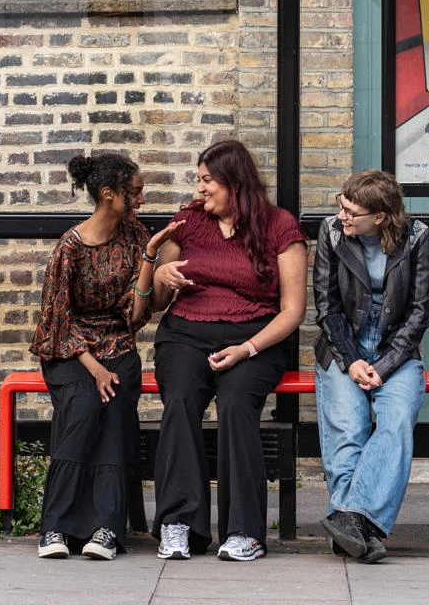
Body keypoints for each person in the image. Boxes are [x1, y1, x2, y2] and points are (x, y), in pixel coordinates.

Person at [149, 139, 308, 562]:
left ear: (235, 183)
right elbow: (160, 300)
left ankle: (244, 531)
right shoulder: (187, 222)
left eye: (208, 181)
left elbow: (293, 311)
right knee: (181, 399)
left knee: (237, 403)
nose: (200, 190)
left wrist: (247, 348)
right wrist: (161, 271)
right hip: (185, 333)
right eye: (199, 181)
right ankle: (179, 524)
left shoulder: (280, 227)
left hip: (255, 338)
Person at [29, 152, 180, 560]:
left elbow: (134, 314)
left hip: (118, 347)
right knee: (81, 410)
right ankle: (55, 527)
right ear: (109, 195)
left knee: (114, 420)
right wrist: (93, 367)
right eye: (135, 193)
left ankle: (106, 530)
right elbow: (56, 320)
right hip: (69, 353)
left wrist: (150, 255)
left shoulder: (135, 237)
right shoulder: (70, 247)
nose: (142, 200)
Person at [313, 170, 429, 564]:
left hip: (396, 352)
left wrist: (382, 365)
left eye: (353, 212)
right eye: (341, 205)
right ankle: (361, 529)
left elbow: (419, 312)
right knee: (347, 430)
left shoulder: (416, 237)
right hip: (341, 348)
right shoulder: (331, 232)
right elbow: (327, 307)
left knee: (396, 421)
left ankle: (351, 522)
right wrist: (352, 361)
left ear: (380, 217)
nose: (343, 216)